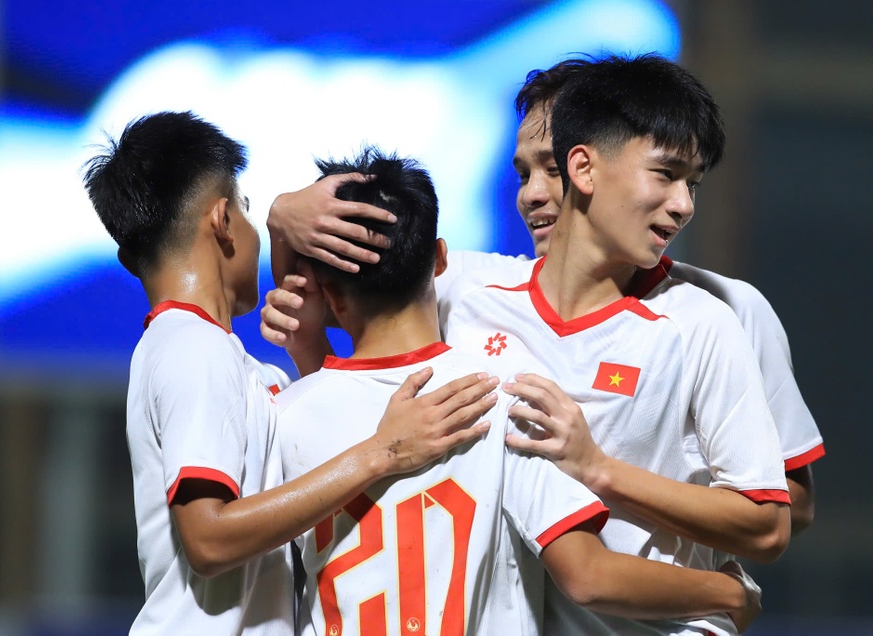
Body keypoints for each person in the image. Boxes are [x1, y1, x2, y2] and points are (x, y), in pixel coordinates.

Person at [264, 56, 824, 536]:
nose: (533, 194)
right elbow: (322, 323)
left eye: (551, 169)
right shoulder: (466, 284)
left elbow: (781, 510)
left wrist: (696, 587)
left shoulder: (721, 311)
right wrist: (283, 216)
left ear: (586, 166)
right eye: (522, 173)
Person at [276, 147, 763, 636]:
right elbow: (588, 577)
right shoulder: (503, 401)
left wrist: (280, 222)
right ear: (441, 259)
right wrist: (729, 592)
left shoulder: (285, 413)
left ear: (326, 291)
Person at [82, 111, 500, 635]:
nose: (256, 230)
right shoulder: (192, 347)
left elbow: (324, 420)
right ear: (222, 221)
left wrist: (308, 338)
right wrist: (384, 452)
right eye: (246, 208)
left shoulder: (213, 356)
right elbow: (209, 540)